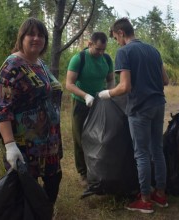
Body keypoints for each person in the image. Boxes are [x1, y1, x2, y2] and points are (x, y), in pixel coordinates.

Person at [98, 18, 169, 214]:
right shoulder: (153, 50)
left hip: (140, 109)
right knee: (157, 150)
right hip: (158, 105)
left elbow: (125, 86)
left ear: (121, 33)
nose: (116, 42)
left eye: (115, 38)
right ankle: (160, 195)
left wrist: (107, 93)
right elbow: (166, 80)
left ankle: (145, 199)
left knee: (142, 154)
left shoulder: (124, 52)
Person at [0, 17, 63, 217]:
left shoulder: (40, 63)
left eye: (41, 35)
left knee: (53, 183)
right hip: (25, 146)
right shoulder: (12, 65)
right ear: (22, 37)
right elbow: (2, 108)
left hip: (49, 143)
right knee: (23, 195)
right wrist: (10, 145)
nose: (36, 38)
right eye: (31, 34)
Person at [66, 32, 115, 186]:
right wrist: (86, 96)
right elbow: (69, 84)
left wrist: (109, 94)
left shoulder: (106, 59)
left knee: (100, 137)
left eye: (103, 50)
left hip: (100, 104)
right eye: (98, 49)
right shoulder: (78, 59)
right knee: (80, 137)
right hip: (81, 103)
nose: (101, 53)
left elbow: (111, 79)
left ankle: (97, 169)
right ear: (90, 44)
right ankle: (83, 173)